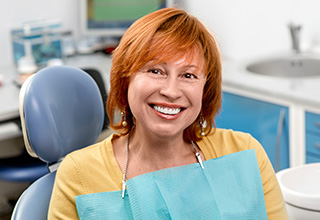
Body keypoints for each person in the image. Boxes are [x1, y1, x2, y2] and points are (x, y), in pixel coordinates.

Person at [48, 7, 288, 219]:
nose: (171, 91)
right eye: (155, 71)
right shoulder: (78, 175)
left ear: (205, 90)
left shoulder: (245, 153)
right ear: (125, 79)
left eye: (188, 75)